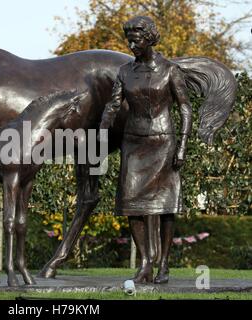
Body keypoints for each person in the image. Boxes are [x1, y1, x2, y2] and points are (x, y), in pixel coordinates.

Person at [99, 16, 192, 284]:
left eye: (136, 39)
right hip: (134, 142)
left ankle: (163, 262)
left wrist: (183, 145)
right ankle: (144, 263)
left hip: (163, 141)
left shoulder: (170, 70)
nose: (130, 44)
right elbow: (113, 105)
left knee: (164, 204)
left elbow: (184, 107)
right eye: (128, 39)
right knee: (131, 202)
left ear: (149, 38)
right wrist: (102, 131)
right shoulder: (125, 72)